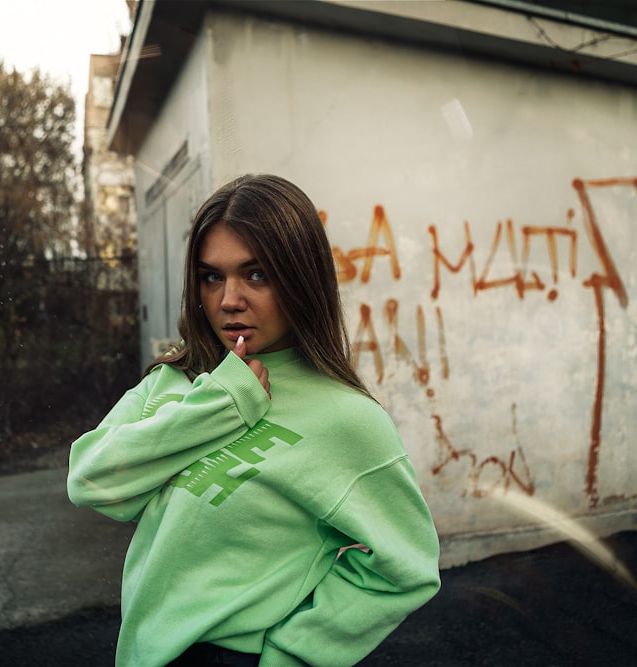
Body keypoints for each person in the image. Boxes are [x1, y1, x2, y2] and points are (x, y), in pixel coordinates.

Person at [67, 174, 441, 666]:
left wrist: (291, 656)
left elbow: (407, 567)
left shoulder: (347, 419)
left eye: (257, 275)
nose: (228, 300)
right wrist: (221, 402)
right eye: (212, 276)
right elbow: (91, 481)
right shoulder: (175, 381)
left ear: (301, 279)